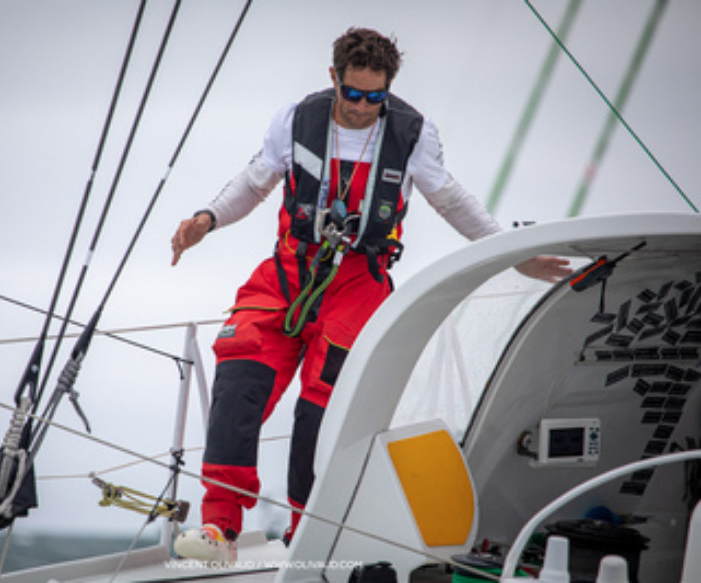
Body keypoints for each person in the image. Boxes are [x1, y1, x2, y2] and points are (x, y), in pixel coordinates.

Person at [170, 27, 571, 562]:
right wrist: (207, 218)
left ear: (388, 89)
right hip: (290, 271)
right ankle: (220, 528)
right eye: (353, 94)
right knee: (239, 371)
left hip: (359, 280)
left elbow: (450, 199)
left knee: (323, 408)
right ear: (334, 78)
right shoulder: (296, 119)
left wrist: (512, 251)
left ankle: (304, 533)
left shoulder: (412, 133)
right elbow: (255, 181)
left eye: (374, 97)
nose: (362, 107)